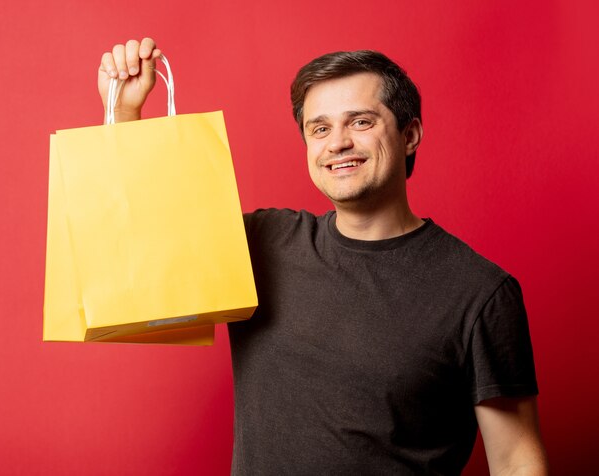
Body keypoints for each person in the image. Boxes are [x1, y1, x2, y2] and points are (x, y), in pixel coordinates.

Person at [98, 38, 549, 475]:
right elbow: (146, 244)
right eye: (320, 128)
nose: (337, 143)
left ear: (409, 134)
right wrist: (124, 112)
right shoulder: (262, 244)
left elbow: (516, 461)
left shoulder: (480, 292)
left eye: (361, 122)